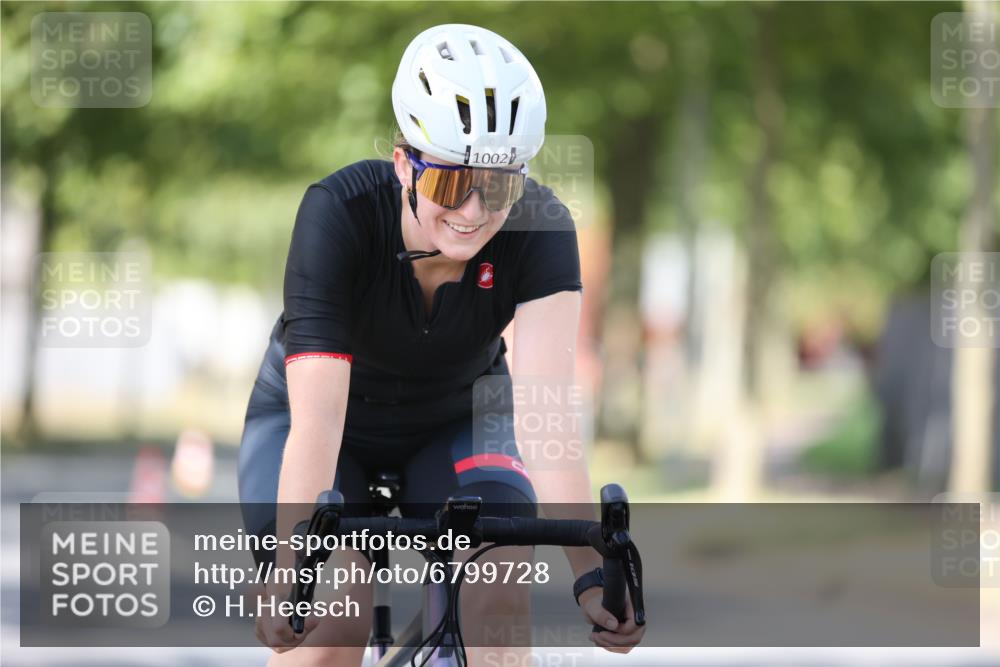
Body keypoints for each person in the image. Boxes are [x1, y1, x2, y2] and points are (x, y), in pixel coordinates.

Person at [238, 23, 644, 665]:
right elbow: (318, 422)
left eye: (501, 186)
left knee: (499, 595)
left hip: (455, 424)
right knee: (331, 621)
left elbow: (544, 418)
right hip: (321, 429)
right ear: (405, 163)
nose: (476, 211)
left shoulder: (541, 231)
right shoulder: (338, 214)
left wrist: (591, 573)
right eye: (453, 184)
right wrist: (290, 565)